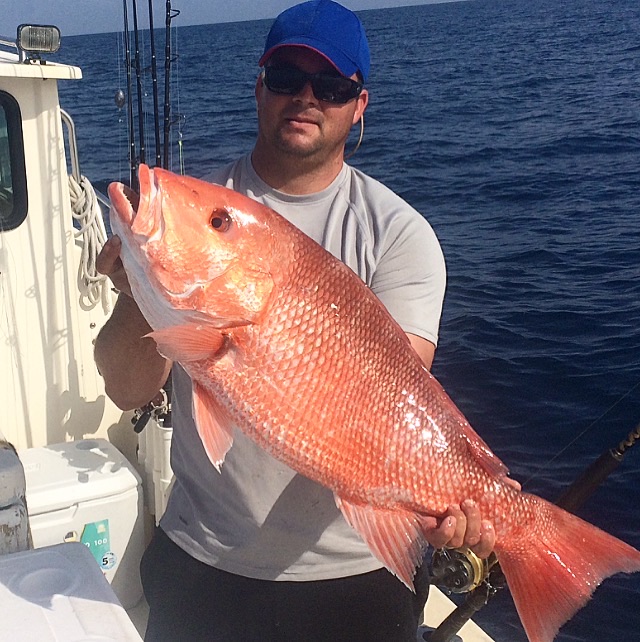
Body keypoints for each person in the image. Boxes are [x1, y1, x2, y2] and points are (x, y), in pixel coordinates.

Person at [95, 1, 497, 640]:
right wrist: (135, 291)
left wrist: (467, 499)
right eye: (286, 78)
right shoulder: (202, 200)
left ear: (358, 105)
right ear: (259, 86)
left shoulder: (399, 236)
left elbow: (392, 406)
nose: (306, 98)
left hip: (359, 578)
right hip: (203, 560)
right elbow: (127, 390)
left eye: (332, 87)